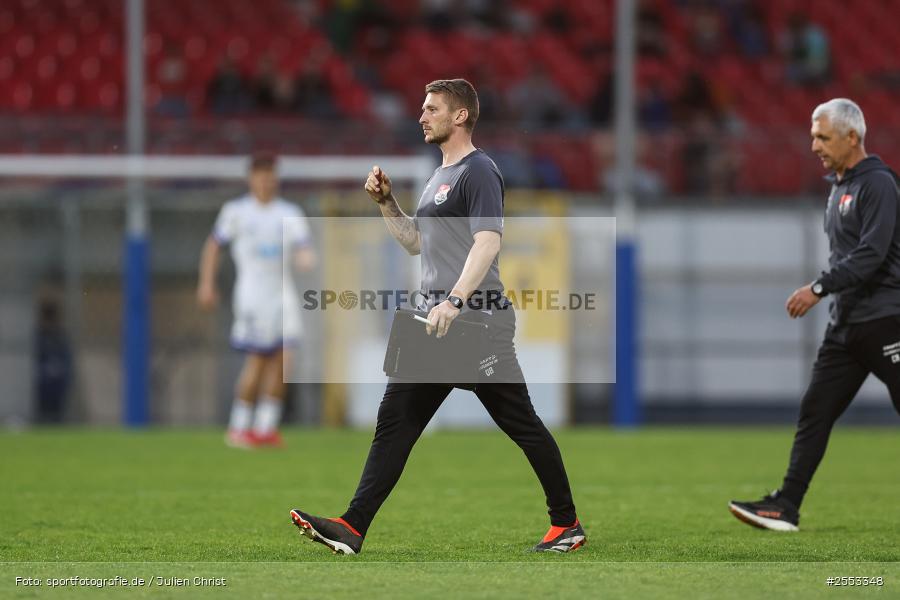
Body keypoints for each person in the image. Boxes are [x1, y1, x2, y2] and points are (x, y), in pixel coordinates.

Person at [289, 79, 584, 554]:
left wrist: (455, 299)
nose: (422, 116)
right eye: (423, 108)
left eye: (432, 108)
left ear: (460, 115)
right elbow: (415, 242)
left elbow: (489, 240)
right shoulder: (438, 174)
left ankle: (565, 524)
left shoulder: (480, 170)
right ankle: (353, 526)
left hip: (475, 321)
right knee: (396, 420)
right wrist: (386, 204)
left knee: (521, 423)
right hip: (436, 322)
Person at [729, 99, 900, 531]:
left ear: (852, 137)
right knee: (815, 410)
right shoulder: (839, 185)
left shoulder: (877, 183)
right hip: (847, 326)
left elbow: (871, 255)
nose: (814, 145)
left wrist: (818, 288)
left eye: (823, 136)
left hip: (886, 319)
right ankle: (786, 505)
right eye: (812, 135)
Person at [197, 152, 316, 448]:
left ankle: (264, 428)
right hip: (253, 296)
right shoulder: (236, 212)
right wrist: (207, 283)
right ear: (252, 179)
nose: (266, 181)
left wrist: (306, 258)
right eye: (261, 176)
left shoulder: (290, 211)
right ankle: (238, 428)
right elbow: (214, 247)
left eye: (271, 176)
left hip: (283, 296)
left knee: (285, 359)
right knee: (258, 359)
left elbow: (304, 248)